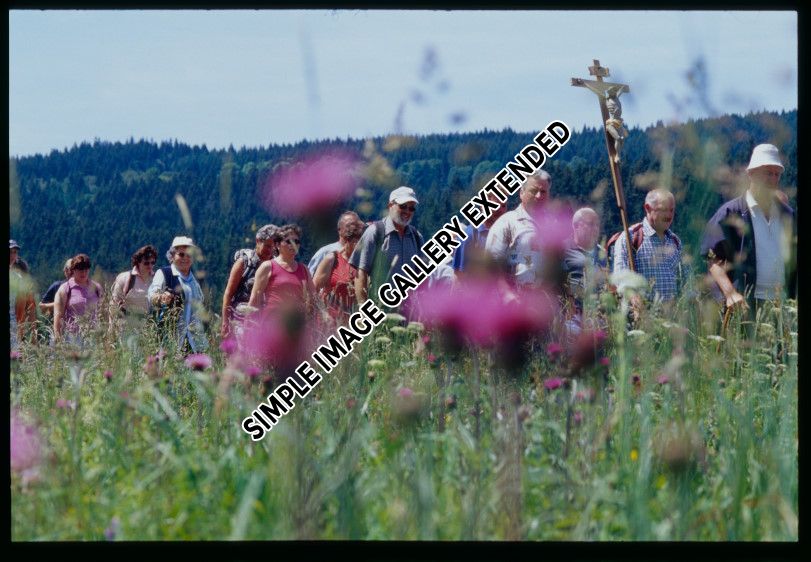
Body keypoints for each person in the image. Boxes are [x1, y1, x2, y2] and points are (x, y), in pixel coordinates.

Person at [702, 143, 795, 314]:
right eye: (768, 173)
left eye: (777, 174)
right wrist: (730, 293)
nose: (773, 179)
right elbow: (713, 259)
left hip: (783, 304)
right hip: (745, 305)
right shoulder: (730, 213)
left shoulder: (787, 214)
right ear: (751, 174)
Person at [350, 186, 425, 306]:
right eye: (403, 206)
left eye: (411, 208)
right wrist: (364, 307)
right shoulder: (375, 232)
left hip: (410, 310)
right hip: (380, 307)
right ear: (390, 205)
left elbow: (422, 275)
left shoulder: (416, 237)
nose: (407, 211)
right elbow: (361, 273)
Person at [612, 188, 686, 310]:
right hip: (640, 316)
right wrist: (635, 299)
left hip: (672, 317)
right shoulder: (630, 238)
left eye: (671, 210)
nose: (669, 215)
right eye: (663, 210)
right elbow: (620, 278)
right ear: (648, 208)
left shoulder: (675, 242)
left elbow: (685, 282)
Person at [485, 170, 552, 289]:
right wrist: (506, 293)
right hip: (515, 297)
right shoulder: (506, 223)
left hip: (547, 298)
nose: (539, 196)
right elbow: (491, 265)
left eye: (543, 192)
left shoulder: (554, 225)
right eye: (533, 191)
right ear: (521, 193)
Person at [148, 236, 208, 354]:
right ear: (172, 256)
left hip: (194, 341)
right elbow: (151, 295)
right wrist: (161, 298)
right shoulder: (164, 273)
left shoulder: (195, 280)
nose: (185, 258)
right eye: (181, 254)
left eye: (189, 255)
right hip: (170, 338)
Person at [220, 224, 278, 340]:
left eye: (273, 247)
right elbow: (228, 293)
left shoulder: (275, 264)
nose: (270, 251)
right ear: (257, 241)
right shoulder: (244, 262)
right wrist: (225, 322)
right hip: (241, 319)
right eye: (267, 246)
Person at [249, 224, 318, 316]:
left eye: (296, 241)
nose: (293, 244)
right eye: (288, 241)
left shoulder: (304, 269)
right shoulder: (267, 266)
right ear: (277, 245)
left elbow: (314, 298)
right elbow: (255, 299)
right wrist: (249, 323)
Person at [561, 208, 608, 334]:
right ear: (576, 226)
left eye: (597, 225)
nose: (596, 229)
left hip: (599, 318)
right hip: (573, 319)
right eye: (591, 224)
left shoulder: (602, 252)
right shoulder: (563, 250)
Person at [314, 218, 364, 326]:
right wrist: (324, 313)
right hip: (328, 320)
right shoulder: (332, 258)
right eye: (357, 242)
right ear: (347, 240)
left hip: (351, 322)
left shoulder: (362, 264)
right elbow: (313, 290)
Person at [452, 192, 507, 281]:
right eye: (495, 205)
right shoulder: (469, 235)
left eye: (503, 206)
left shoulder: (507, 233)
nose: (500, 210)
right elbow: (459, 277)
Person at [53, 254, 104, 345]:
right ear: (73, 270)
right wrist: (58, 339)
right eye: (80, 269)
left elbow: (104, 312)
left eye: (86, 269)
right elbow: (58, 315)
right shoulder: (65, 289)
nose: (83, 273)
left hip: (94, 337)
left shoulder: (97, 288)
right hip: (72, 337)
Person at [110, 245, 158, 333]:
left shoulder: (157, 279)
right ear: (138, 262)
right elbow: (113, 305)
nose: (150, 265)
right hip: (127, 328)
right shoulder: (124, 278)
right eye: (146, 263)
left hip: (149, 329)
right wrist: (112, 330)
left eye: (153, 262)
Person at [307, 211, 362, 277]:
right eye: (349, 225)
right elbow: (309, 277)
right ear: (339, 230)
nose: (353, 228)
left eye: (357, 226)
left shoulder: (361, 253)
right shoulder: (325, 252)